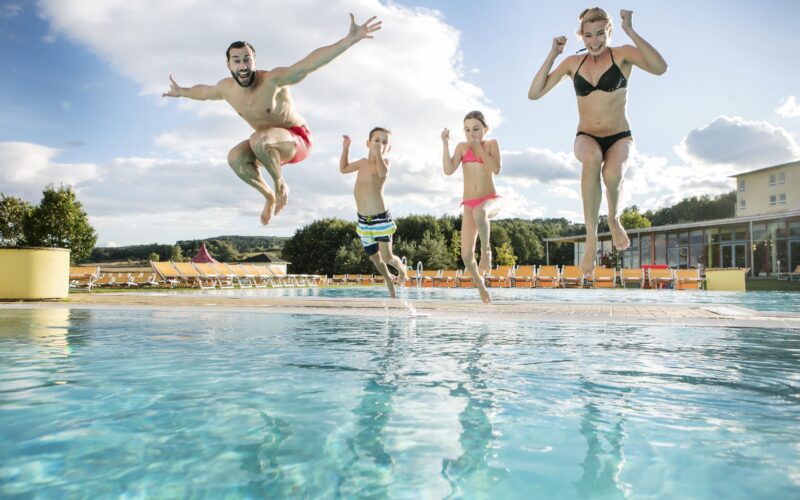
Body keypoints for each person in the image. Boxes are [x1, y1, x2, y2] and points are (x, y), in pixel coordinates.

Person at [163, 14, 382, 226]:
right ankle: (269, 196)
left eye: (247, 60)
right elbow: (203, 92)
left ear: (254, 62)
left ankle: (280, 184)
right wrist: (181, 91)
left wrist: (348, 40)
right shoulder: (226, 88)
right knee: (235, 158)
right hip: (267, 148)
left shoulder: (273, 80)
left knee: (259, 139)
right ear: (229, 65)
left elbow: (308, 64)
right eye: (237, 61)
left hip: (297, 140)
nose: (243, 66)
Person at [528, 8, 667, 275]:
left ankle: (614, 219)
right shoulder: (572, 63)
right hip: (587, 136)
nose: (594, 41)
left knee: (613, 174)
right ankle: (591, 238)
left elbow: (660, 68)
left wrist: (631, 30)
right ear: (581, 35)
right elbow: (534, 93)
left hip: (619, 137)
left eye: (600, 33)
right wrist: (553, 54)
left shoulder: (623, 54)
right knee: (591, 159)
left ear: (609, 32)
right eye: (588, 35)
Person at [442, 111, 502, 304]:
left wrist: (479, 149)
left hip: (490, 199)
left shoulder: (491, 144)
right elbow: (448, 170)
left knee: (480, 211)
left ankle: (486, 251)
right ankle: (480, 285)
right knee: (466, 255)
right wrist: (445, 143)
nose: (472, 134)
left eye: (476, 129)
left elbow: (496, 169)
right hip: (469, 204)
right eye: (467, 130)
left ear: (485, 129)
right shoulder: (461, 147)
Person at [340, 128, 407, 298]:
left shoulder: (385, 163)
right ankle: (389, 284)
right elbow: (344, 168)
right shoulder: (361, 163)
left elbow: (382, 174)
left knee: (387, 258)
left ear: (388, 148)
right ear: (368, 143)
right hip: (363, 221)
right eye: (377, 140)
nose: (380, 144)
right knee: (375, 259)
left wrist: (378, 154)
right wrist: (346, 149)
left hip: (380, 219)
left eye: (385, 142)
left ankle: (402, 270)